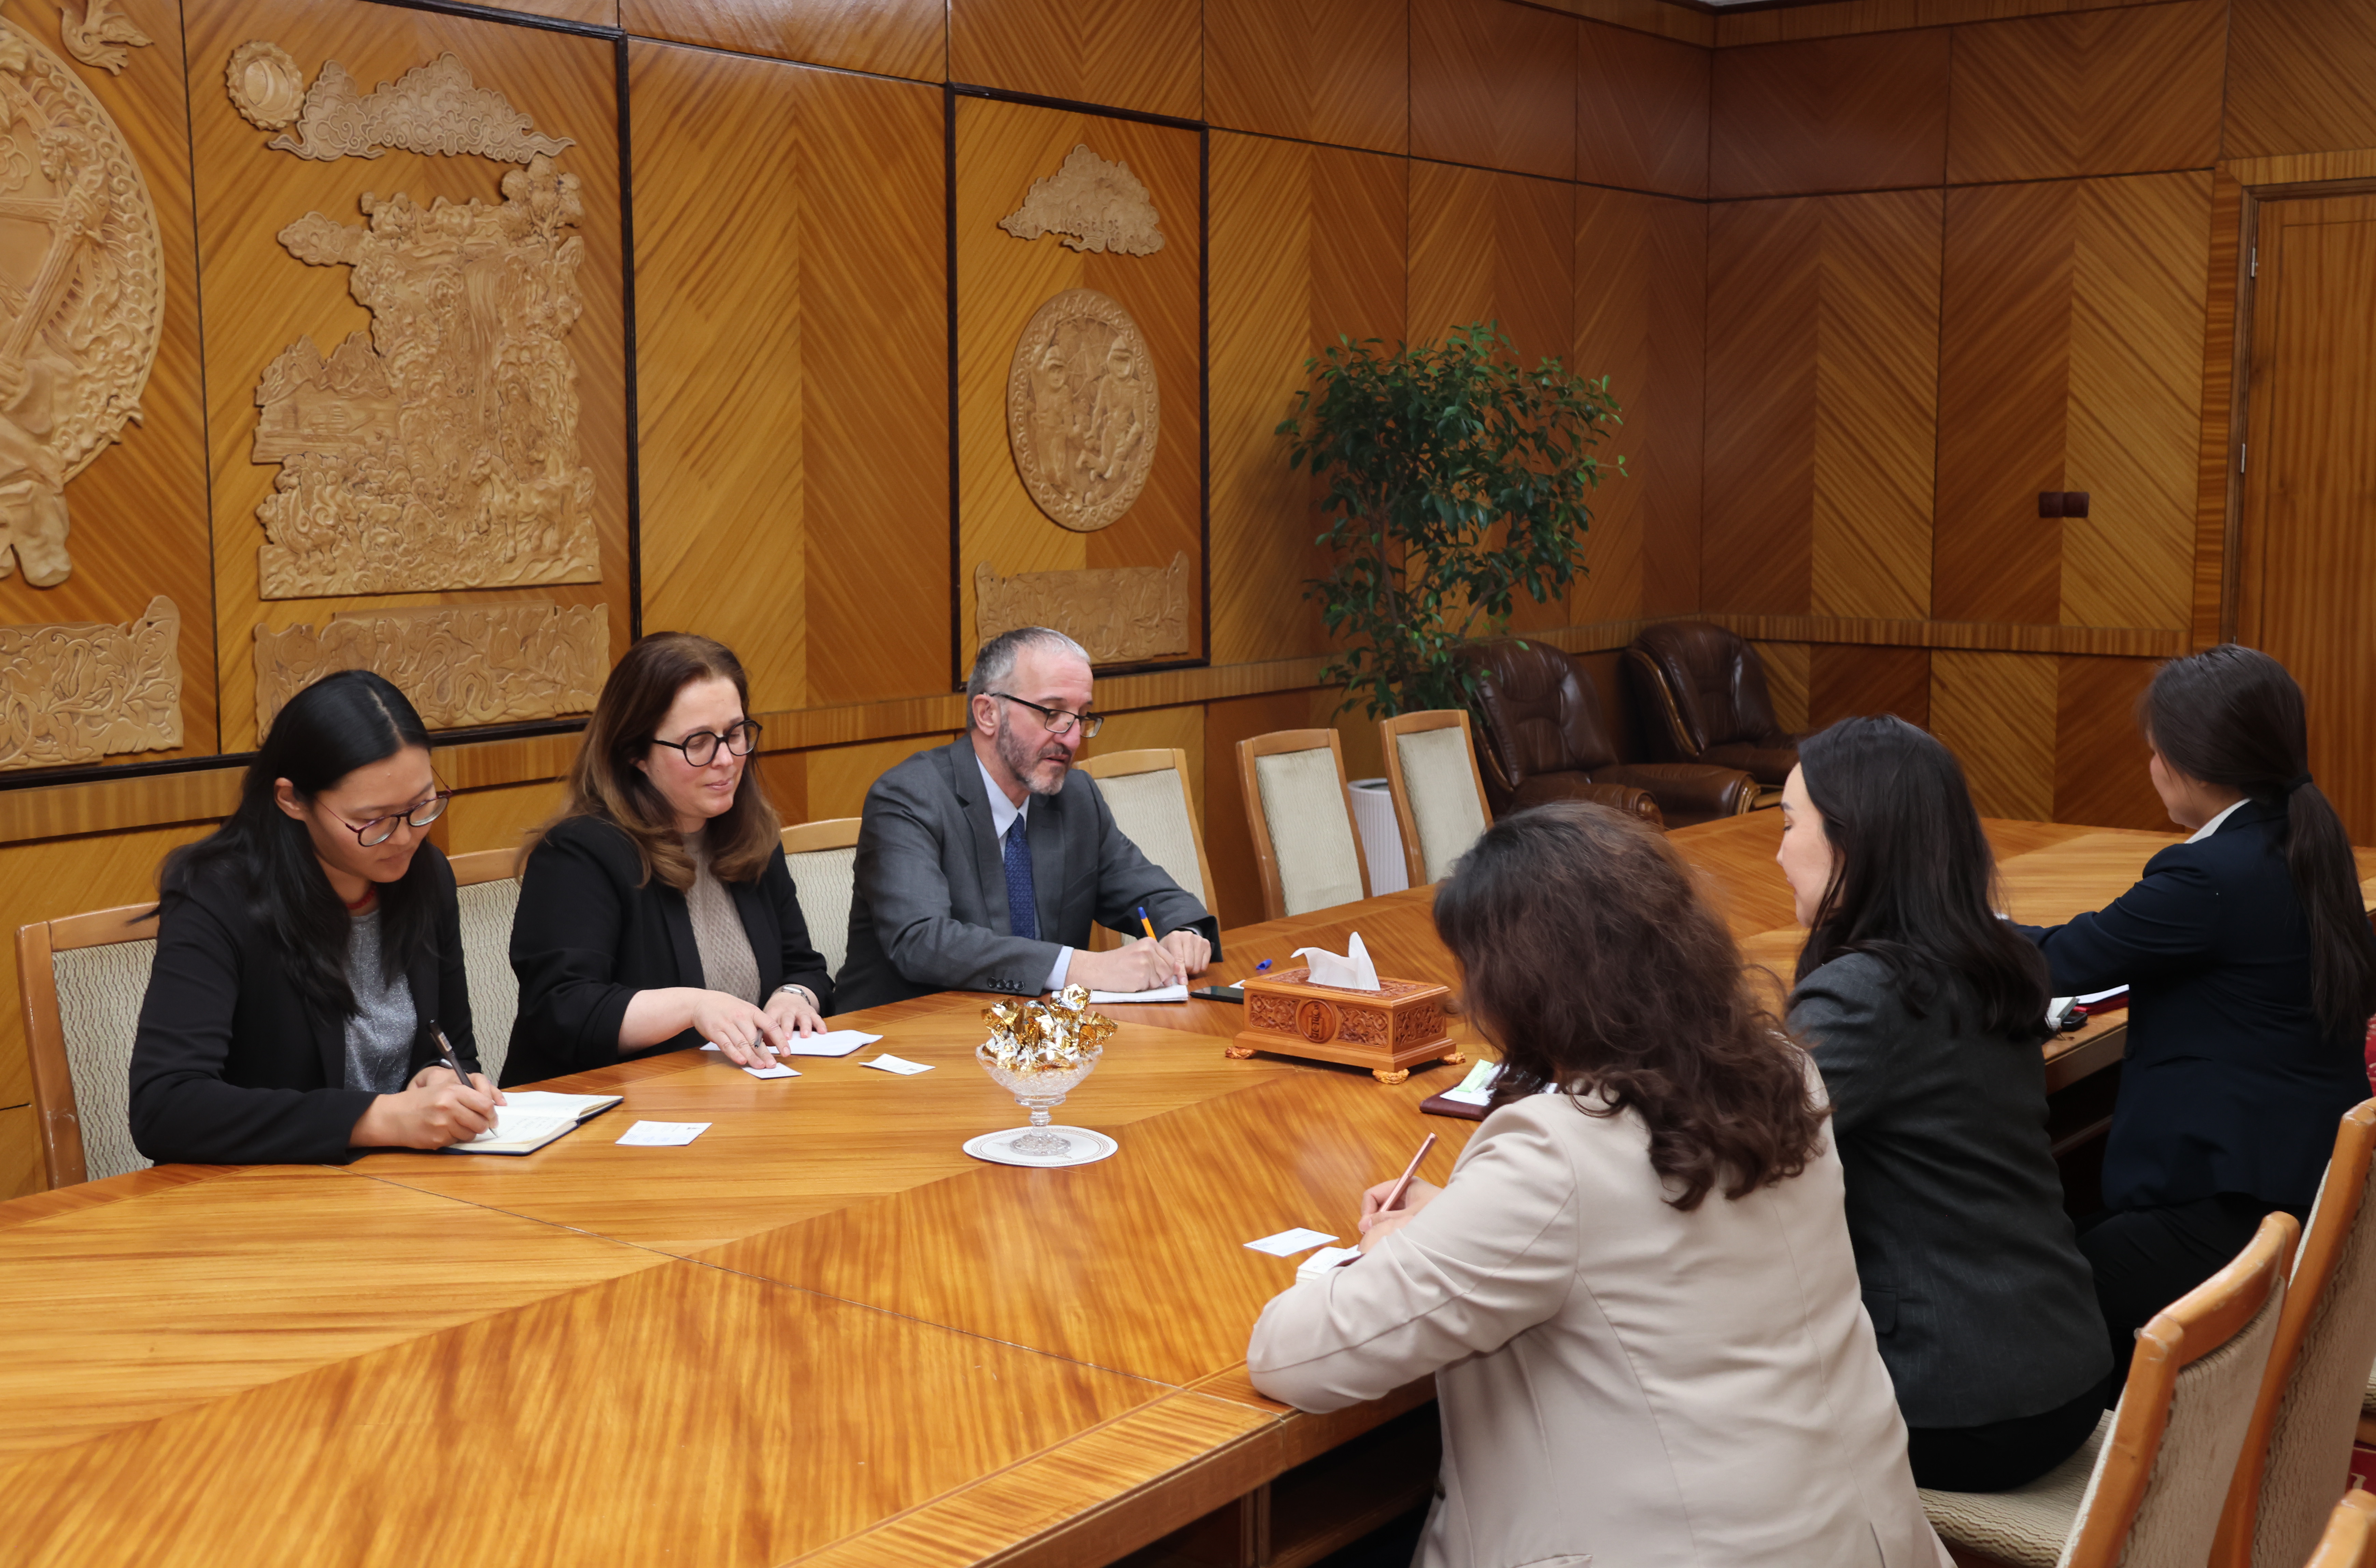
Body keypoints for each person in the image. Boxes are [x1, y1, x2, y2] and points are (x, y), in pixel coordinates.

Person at [1248, 803, 1949, 1567]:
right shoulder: (1787, 1073)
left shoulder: (1555, 1154)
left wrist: (1391, 1249)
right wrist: (1460, 1222)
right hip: (1862, 1537)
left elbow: (1294, 1357)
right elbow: (1638, 1240)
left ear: (1521, 986)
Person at [2020, 646, 2376, 1386]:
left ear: (2194, 765)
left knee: (2020, 1301)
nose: (2150, 765)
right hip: (2292, 1190)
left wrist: (1947, 919)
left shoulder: (2209, 876)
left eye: (2154, 750)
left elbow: (2061, 961)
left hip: (2233, 1212)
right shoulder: (2307, 837)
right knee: (2059, 1246)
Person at [1778, 717, 2111, 1490]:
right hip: (2060, 1362)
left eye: (1790, 825)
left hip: (1960, 1405)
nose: (1779, 852)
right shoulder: (1983, 953)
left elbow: (1748, 1145)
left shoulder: (1867, 991)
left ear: (1853, 843)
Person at [129, 672, 501, 1163]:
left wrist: (440, 1076)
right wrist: (379, 1118)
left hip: (406, 1185)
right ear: (292, 799)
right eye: (372, 820)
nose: (404, 837)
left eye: (422, 806)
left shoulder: (425, 874)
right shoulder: (217, 897)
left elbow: (453, 1044)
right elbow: (166, 1107)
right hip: (268, 1191)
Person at [504, 633, 834, 1086]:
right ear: (635, 753)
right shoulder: (578, 853)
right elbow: (563, 1009)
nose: (726, 759)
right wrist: (693, 1006)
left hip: (736, 1098)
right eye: (698, 742)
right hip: (606, 1107)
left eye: (736, 734)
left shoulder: (751, 833)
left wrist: (795, 996)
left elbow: (805, 966)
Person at [836, 627, 1219, 1011]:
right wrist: (1080, 967)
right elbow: (922, 941)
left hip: (1040, 1035)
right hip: (913, 1032)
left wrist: (1182, 933)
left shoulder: (1076, 797)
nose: (1072, 739)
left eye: (1082, 716)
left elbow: (1152, 894)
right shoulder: (909, 796)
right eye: (1053, 713)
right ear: (988, 713)